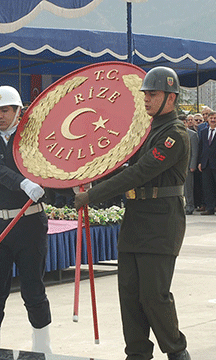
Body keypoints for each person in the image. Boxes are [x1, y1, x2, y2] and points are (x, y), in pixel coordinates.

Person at [74, 67, 190, 360]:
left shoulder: (175, 135)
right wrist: (90, 173)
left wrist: (92, 195)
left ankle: (177, 352)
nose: (147, 100)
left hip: (162, 223)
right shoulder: (147, 131)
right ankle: (137, 354)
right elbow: (122, 165)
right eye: (146, 95)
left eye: (153, 94)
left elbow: (140, 172)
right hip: (136, 218)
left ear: (171, 97)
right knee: (130, 295)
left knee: (154, 296)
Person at [0, 85, 52, 353]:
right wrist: (23, 184)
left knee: (33, 290)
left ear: (19, 111)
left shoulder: (34, 141)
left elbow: (53, 167)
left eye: (5, 110)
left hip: (29, 224)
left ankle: (42, 349)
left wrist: (74, 184)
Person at [198, 111, 216, 215]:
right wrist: (200, 162)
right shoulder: (203, 131)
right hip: (206, 163)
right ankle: (209, 208)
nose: (213, 120)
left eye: (215, 118)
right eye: (211, 118)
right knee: (207, 187)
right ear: (207, 120)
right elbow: (201, 148)